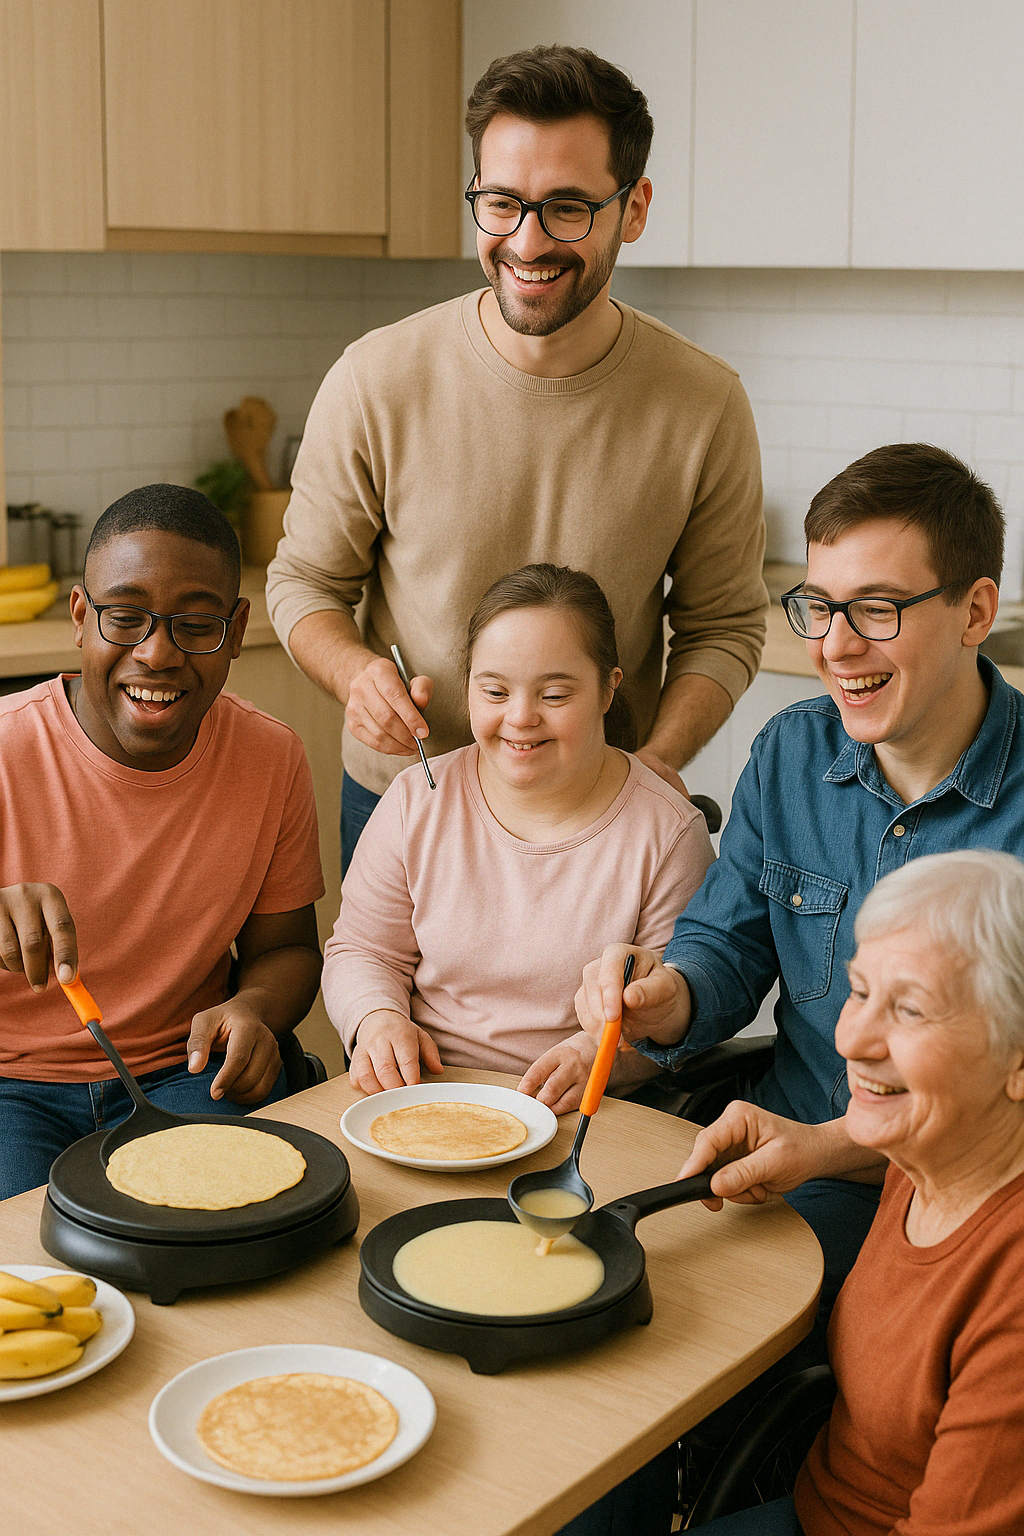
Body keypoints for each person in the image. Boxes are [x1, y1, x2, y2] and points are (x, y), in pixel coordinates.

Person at [266, 43, 767, 875]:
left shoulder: (705, 402)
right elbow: (304, 583)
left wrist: (658, 761)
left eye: (567, 207)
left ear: (633, 209)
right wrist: (356, 676)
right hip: (411, 794)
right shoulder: (374, 378)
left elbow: (725, 625)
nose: (526, 241)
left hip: (603, 806)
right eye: (501, 203)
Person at [577, 442, 1014, 1341]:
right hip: (784, 1157)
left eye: (877, 609)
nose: (835, 647)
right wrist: (667, 995)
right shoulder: (791, 752)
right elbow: (728, 943)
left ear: (976, 611)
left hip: (968, 1207)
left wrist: (826, 1145)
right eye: (818, 606)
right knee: (606, 1305)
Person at [677, 851, 1024, 1535]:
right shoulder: (927, 1157)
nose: (852, 1039)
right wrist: (813, 1148)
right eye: (860, 992)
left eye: (912, 1010)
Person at [0, 485, 324, 1200]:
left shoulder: (271, 757)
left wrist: (254, 1010)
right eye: (125, 619)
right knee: (27, 1241)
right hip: (10, 1088)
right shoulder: (4, 749)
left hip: (186, 1070)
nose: (157, 653)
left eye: (197, 625)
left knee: (229, 1220)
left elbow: (288, 952)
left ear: (236, 631)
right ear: (81, 618)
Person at [322, 565, 714, 1111]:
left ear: (608, 689)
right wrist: (376, 1017)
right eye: (495, 691)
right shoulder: (416, 802)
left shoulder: (668, 833)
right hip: (426, 1091)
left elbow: (674, 1011)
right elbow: (362, 951)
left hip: (588, 1111)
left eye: (554, 694)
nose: (521, 717)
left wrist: (597, 1055)